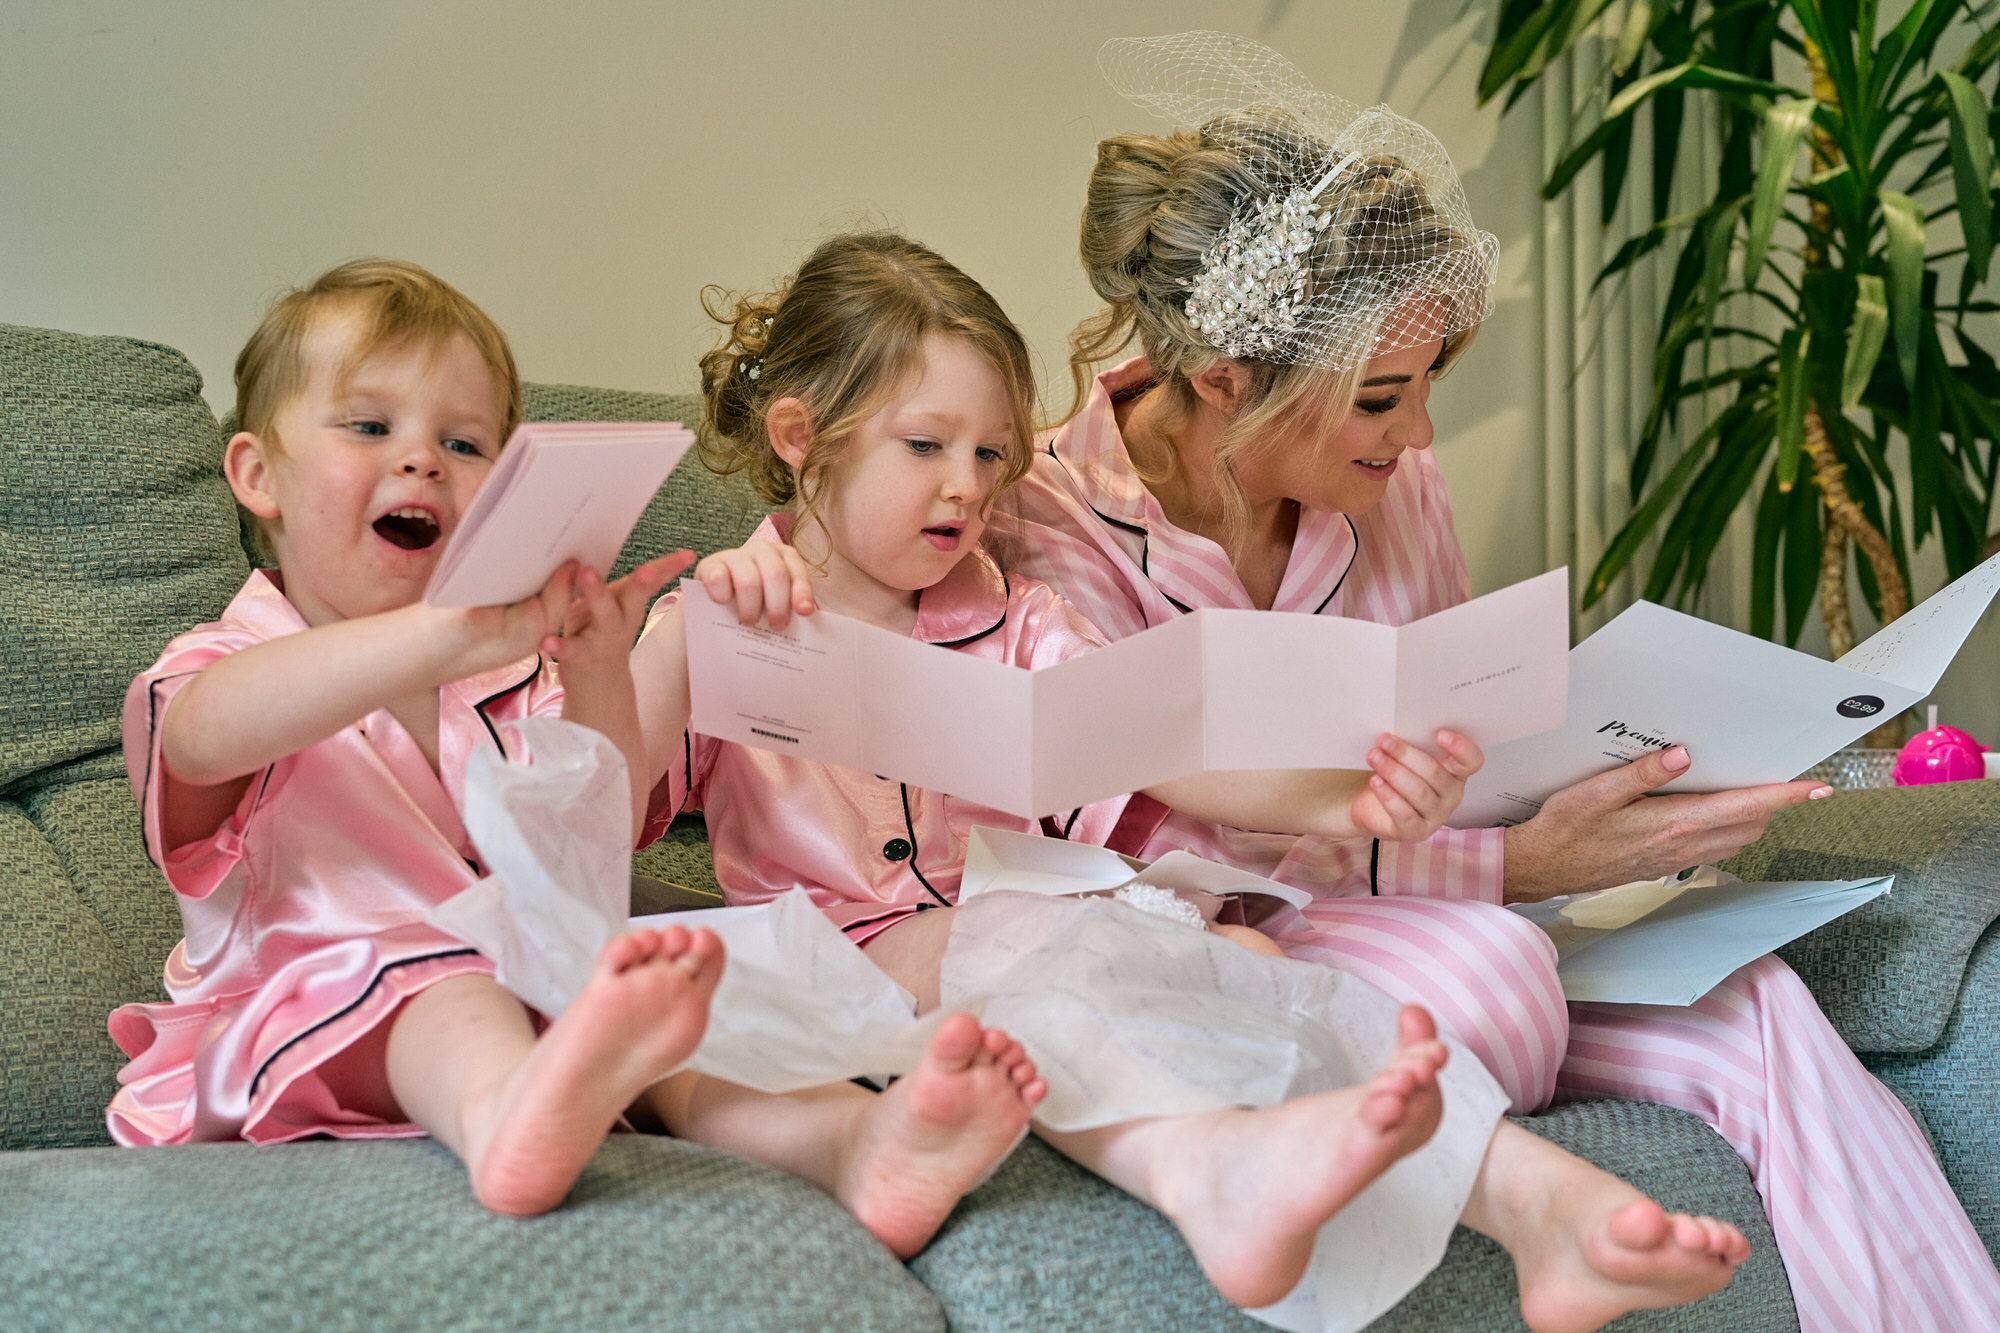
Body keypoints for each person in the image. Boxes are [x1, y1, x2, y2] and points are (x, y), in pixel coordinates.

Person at [1002, 31, 2000, 1330]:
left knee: (1755, 1003)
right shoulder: (1038, 528)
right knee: (1482, 977)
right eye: (1379, 399)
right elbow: (1145, 877)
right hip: (1223, 961)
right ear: (1222, 379)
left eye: (1431, 388)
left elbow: (1463, 755)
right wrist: (1519, 870)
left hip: (1428, 917)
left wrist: (1597, 797)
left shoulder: (1395, 485)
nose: (1419, 438)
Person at [630, 229, 1749, 1333]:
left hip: (1036, 918)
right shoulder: (726, 622)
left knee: (1247, 960)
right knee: (1037, 941)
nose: (965, 488)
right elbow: (596, 805)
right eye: (926, 447)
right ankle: (1223, 1171)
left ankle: (1534, 1203)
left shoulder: (1019, 618)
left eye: (989, 455)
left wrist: (1336, 800)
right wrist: (683, 642)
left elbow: (1165, 746)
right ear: (799, 437)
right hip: (855, 957)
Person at [107, 259, 1050, 1254]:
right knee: (443, 981)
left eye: (464, 444)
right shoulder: (225, 661)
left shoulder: (504, 679)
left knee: (675, 1003)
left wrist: (598, 667)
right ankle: (503, 1117)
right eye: (370, 427)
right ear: (259, 475)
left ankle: (850, 1144)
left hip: (534, 994)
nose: (422, 461)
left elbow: (590, 833)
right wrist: (443, 635)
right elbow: (207, 732)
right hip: (304, 1013)